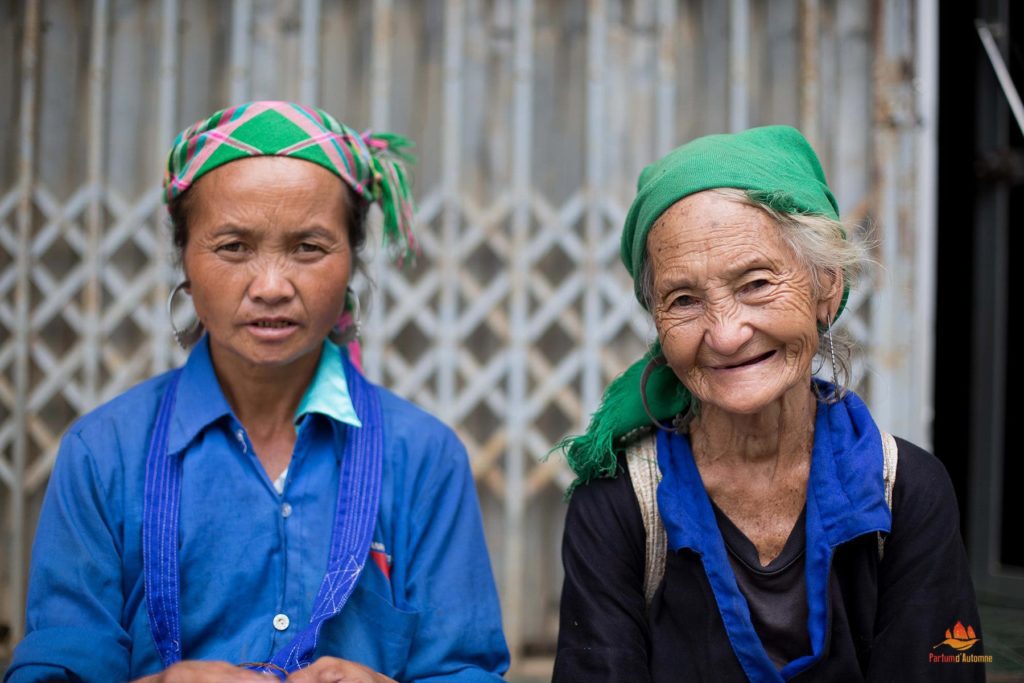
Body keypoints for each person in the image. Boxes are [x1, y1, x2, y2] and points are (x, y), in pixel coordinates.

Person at [5, 101, 509, 683]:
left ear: (351, 264)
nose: (271, 287)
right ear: (186, 265)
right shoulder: (101, 455)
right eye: (234, 247)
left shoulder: (423, 458)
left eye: (308, 248)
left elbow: (466, 670)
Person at [553, 126, 984, 681]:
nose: (726, 334)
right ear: (658, 322)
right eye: (684, 299)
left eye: (756, 284)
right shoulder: (618, 506)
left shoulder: (909, 493)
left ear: (826, 288)